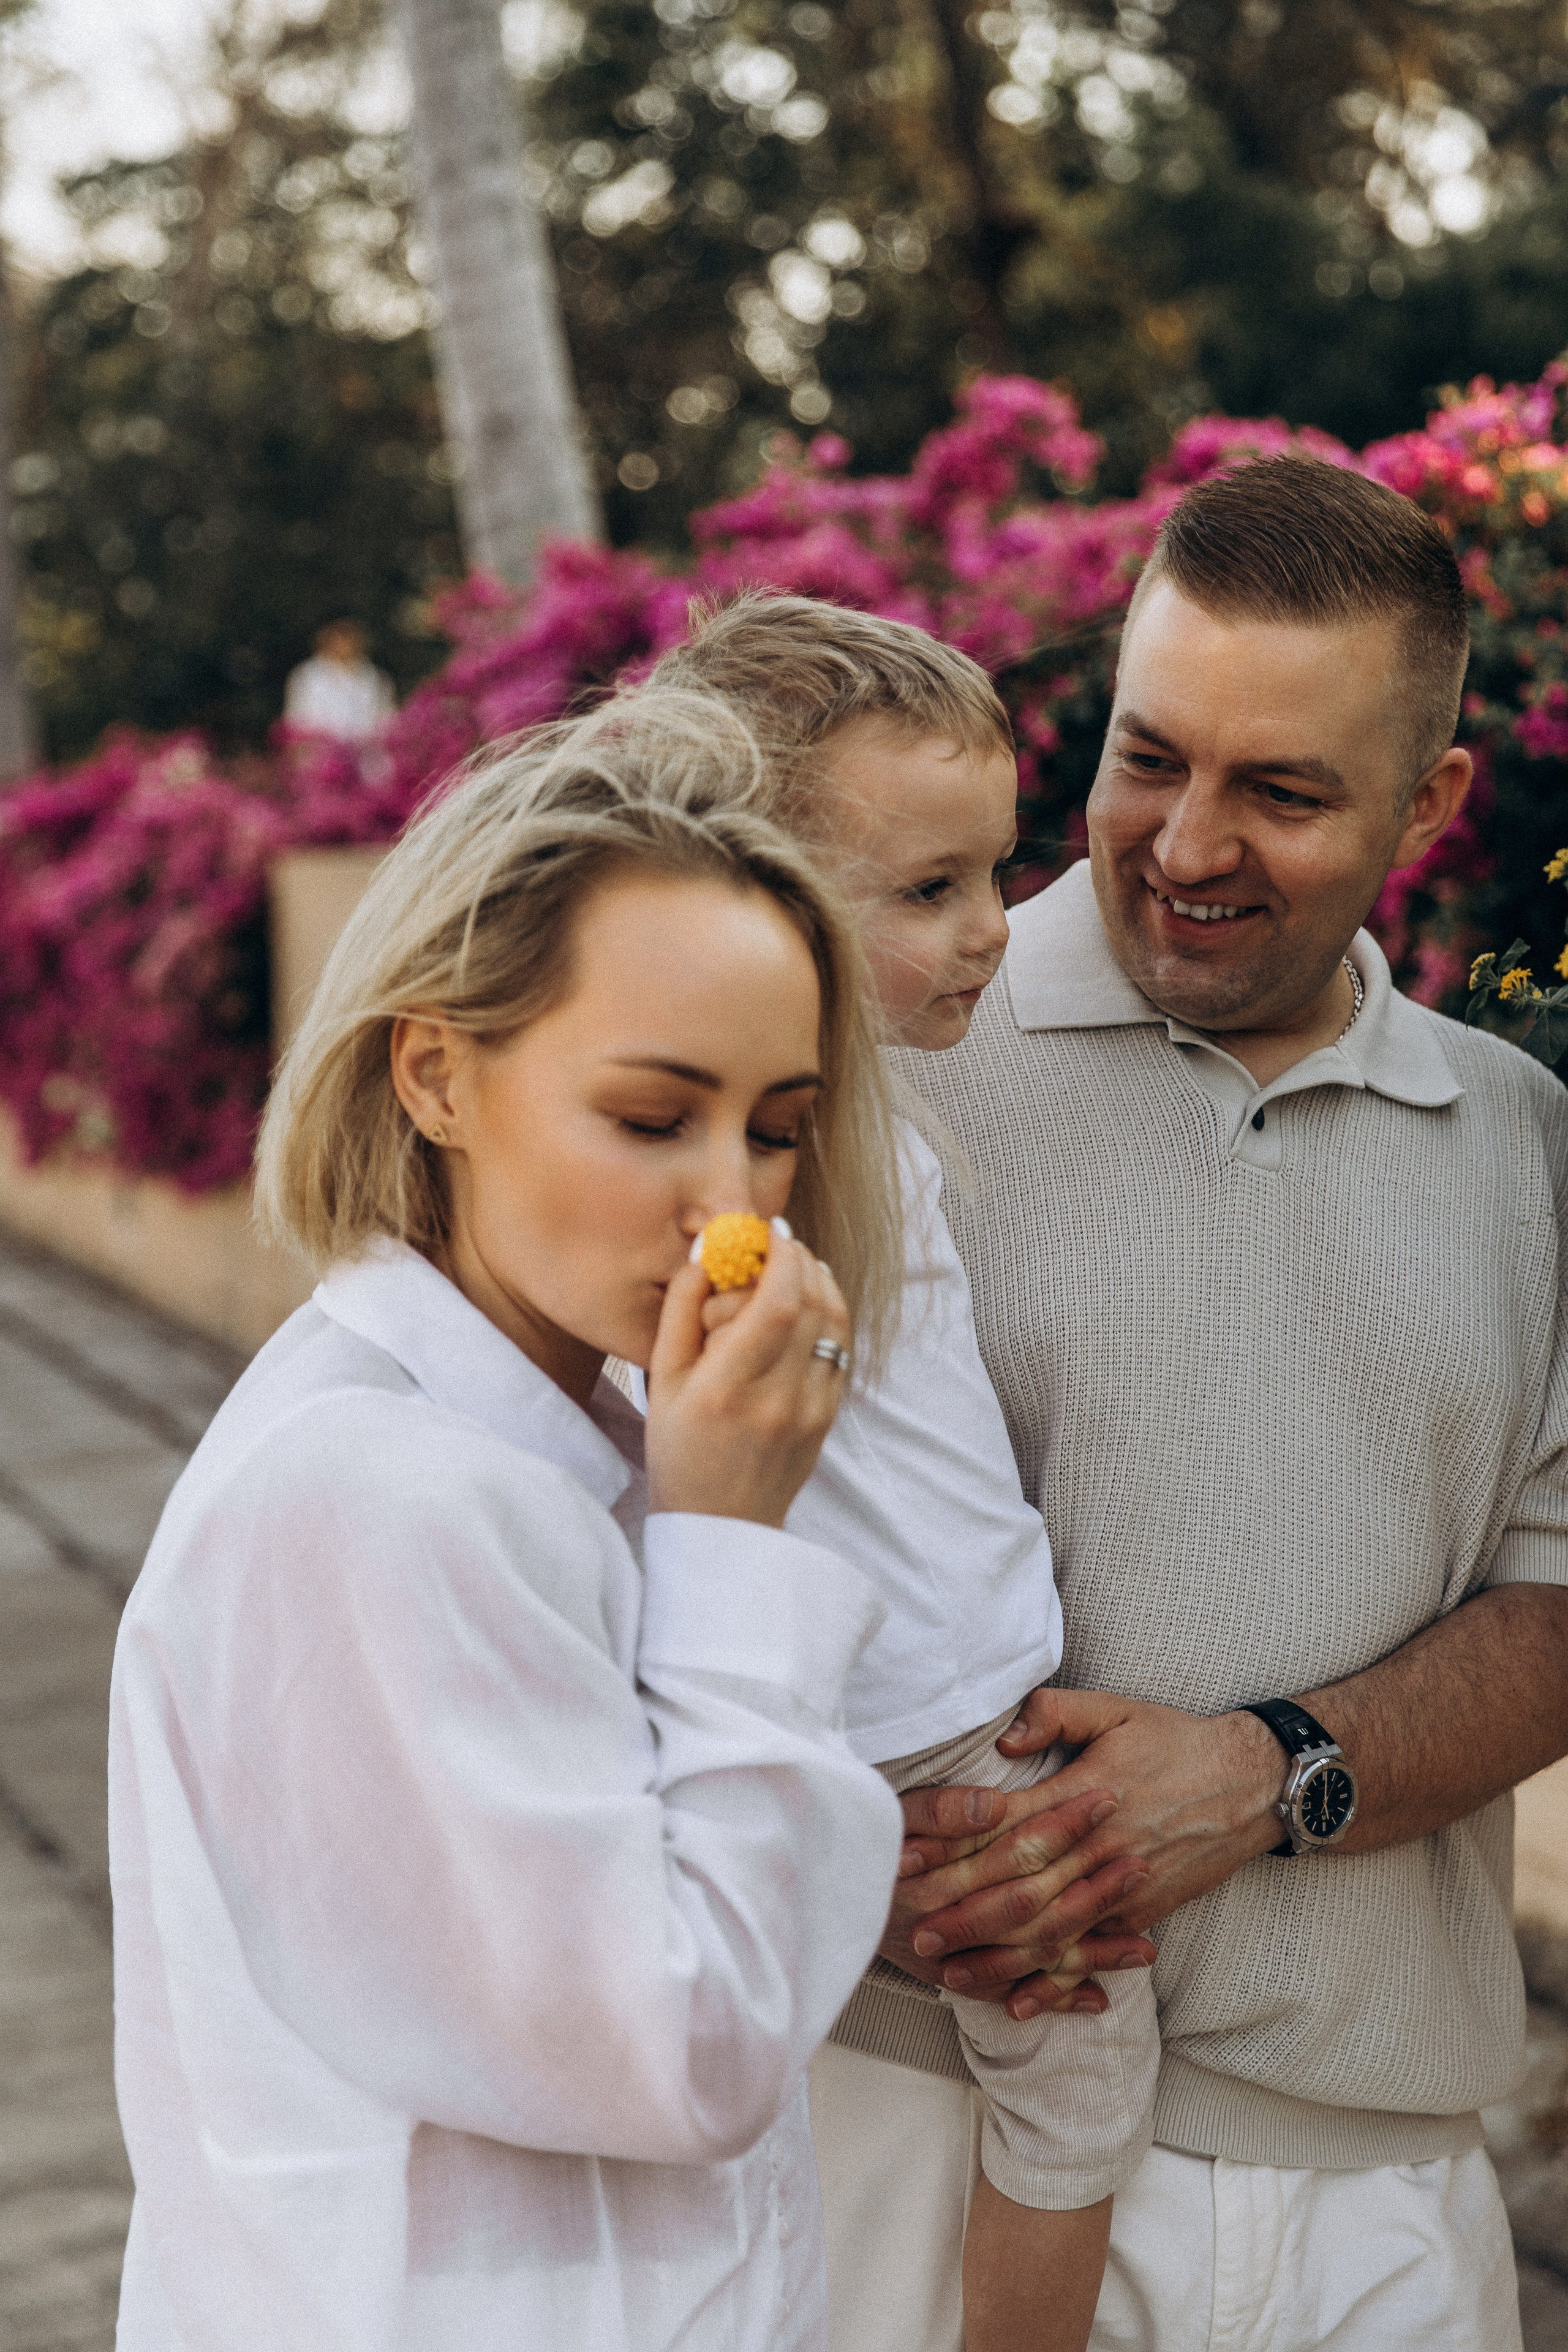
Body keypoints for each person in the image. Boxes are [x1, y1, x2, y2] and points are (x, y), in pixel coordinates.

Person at [862, 456, 1568, 2349]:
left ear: (1430, 805)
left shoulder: (1522, 1139)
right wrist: (845, 1883)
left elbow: (1560, 1610)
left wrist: (1260, 1775)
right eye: (1148, 756)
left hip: (1390, 2206)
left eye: (1279, 789)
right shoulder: (879, 1065)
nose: (1182, 842)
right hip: (939, 2156)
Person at [107, 689, 908, 2351]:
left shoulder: (579, 1448)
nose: (737, 1213)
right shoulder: (382, 1496)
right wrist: (735, 1554)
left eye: (775, 1129)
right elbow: (686, 2045)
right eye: (649, 1115)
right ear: (436, 1078)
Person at [649, 598, 1163, 2352]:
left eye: (995, 875)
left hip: (929, 1707)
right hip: (935, 1731)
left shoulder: (863, 1120)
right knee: (1085, 2091)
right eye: (926, 889)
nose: (991, 935)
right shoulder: (775, 1168)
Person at [283, 617, 395, 740]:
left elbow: (387, 725)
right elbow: (297, 725)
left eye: (351, 634)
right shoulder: (306, 676)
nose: (346, 641)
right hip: (323, 754)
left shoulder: (378, 678)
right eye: (340, 634)